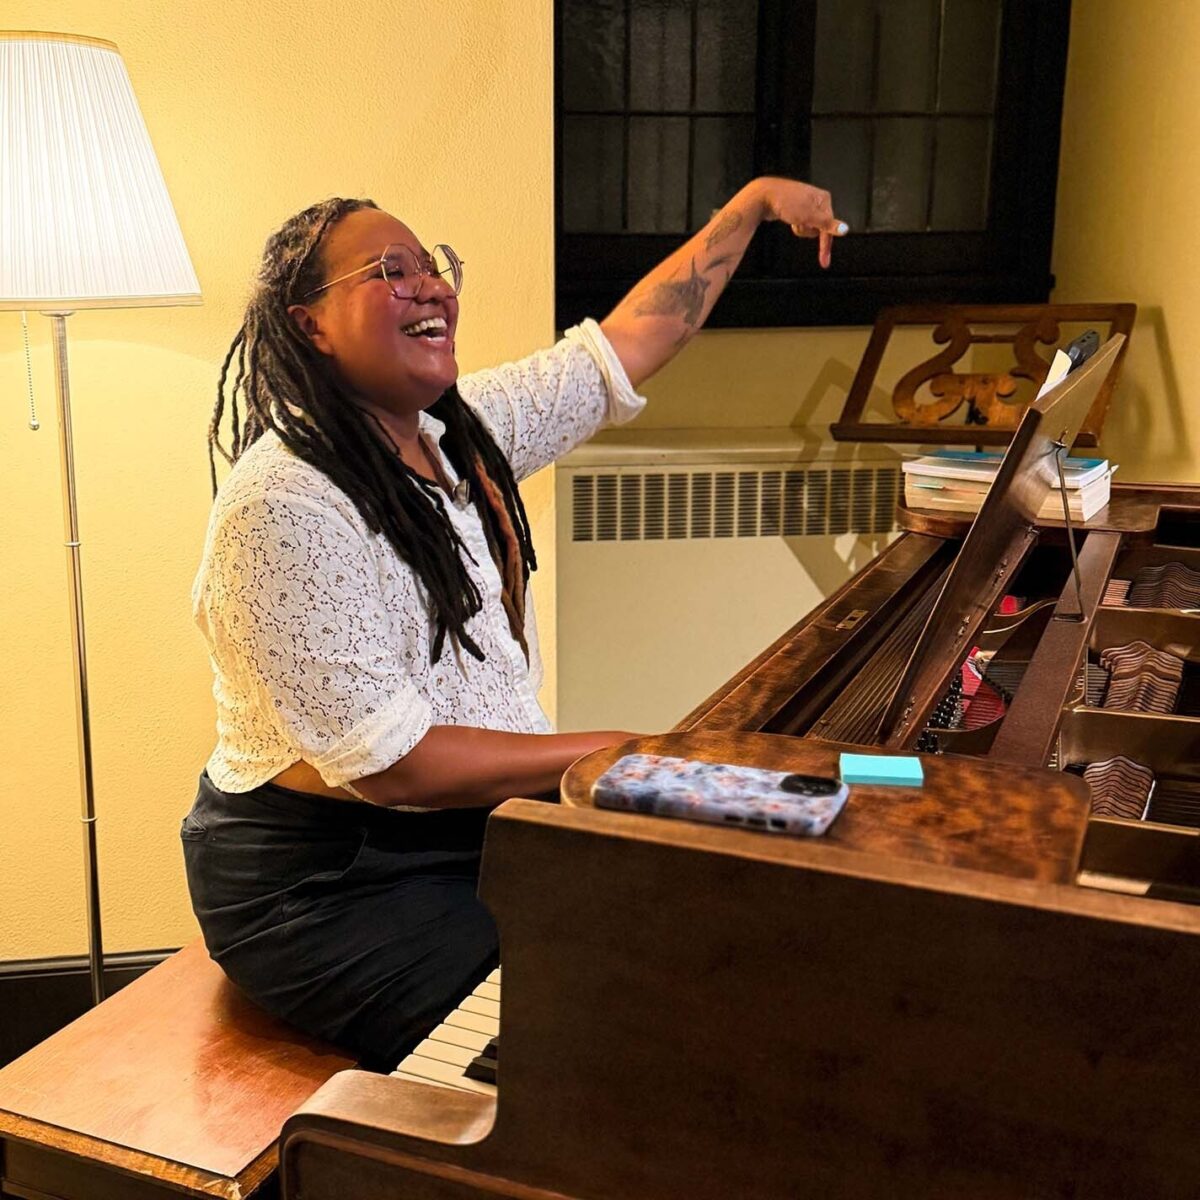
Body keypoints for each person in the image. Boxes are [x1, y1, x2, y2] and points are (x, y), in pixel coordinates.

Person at [181, 176, 845, 1068]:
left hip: (470, 824)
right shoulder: (285, 503)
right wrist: (624, 753)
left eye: (435, 267)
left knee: (704, 942)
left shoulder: (458, 431)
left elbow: (632, 341)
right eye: (391, 270)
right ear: (310, 323)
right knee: (588, 1039)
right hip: (330, 880)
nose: (432, 287)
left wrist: (755, 203)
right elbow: (398, 767)